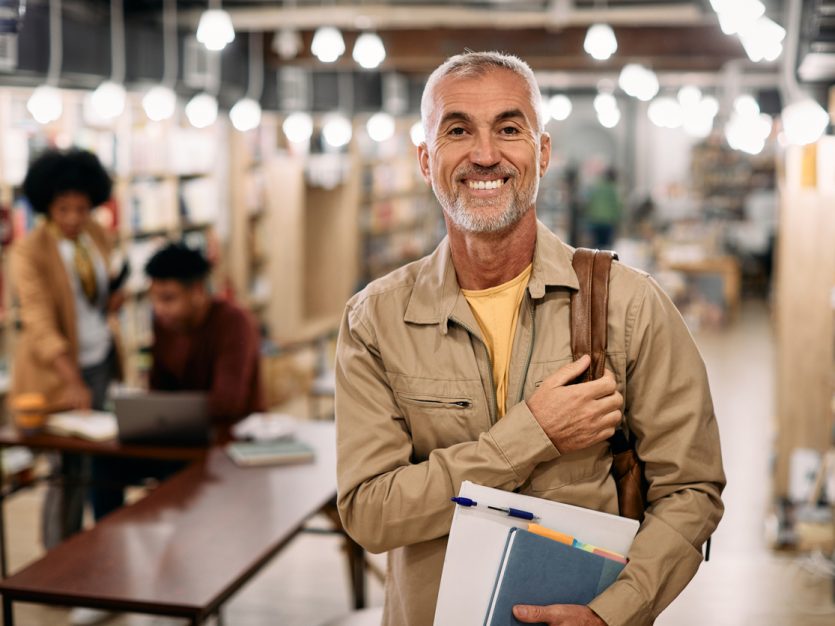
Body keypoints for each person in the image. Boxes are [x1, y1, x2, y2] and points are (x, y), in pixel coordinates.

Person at [335, 51, 725, 626]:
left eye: (510, 129)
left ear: (542, 152)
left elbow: (691, 489)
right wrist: (531, 435)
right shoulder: (376, 320)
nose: (485, 154)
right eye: (458, 130)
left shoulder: (629, 305)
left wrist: (612, 612)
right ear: (425, 159)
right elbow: (369, 513)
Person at [90, 243, 265, 519]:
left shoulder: (234, 322)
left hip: (227, 444)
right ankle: (108, 543)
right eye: (155, 299)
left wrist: (169, 410)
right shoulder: (165, 324)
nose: (159, 309)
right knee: (104, 464)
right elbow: (159, 390)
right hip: (181, 438)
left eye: (168, 298)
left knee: (177, 478)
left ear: (197, 291)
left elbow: (229, 402)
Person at [10, 148, 123, 550]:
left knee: (104, 464)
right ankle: (59, 560)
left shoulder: (95, 233)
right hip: (58, 373)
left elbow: (104, 283)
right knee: (66, 470)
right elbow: (38, 323)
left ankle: (101, 552)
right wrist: (72, 380)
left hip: (101, 361)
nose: (74, 218)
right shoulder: (30, 251)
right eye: (63, 209)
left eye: (81, 207)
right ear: (46, 206)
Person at [585, 167, 623, 248]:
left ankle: (595, 259)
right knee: (605, 246)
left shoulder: (597, 185)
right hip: (607, 222)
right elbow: (617, 206)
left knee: (596, 245)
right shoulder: (613, 189)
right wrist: (618, 220)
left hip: (595, 220)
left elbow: (589, 202)